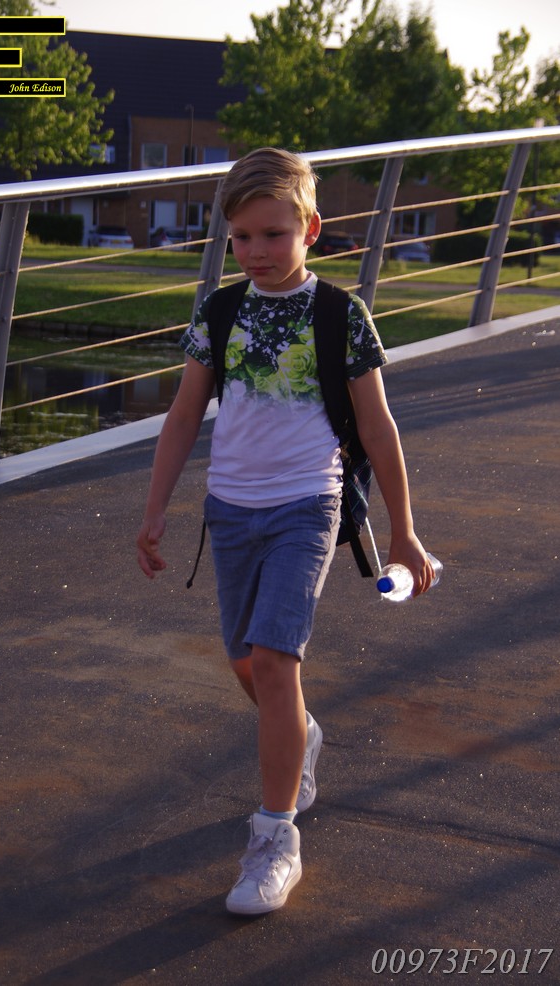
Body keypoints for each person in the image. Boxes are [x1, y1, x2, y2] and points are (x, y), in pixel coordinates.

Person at [136, 147, 434, 916]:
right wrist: (155, 508)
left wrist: (403, 531)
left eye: (273, 234)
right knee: (248, 667)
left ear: (310, 229)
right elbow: (183, 415)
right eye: (241, 237)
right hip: (229, 512)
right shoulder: (219, 311)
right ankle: (299, 734)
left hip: (307, 505)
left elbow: (377, 428)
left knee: (272, 660)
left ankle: (275, 839)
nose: (256, 251)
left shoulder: (339, 314)